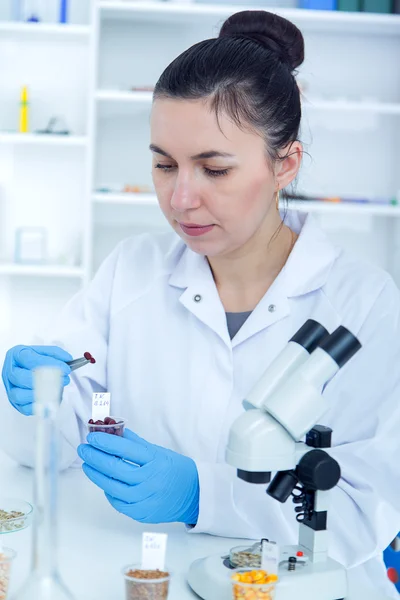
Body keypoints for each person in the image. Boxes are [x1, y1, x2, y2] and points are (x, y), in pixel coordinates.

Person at [1, 9, 399, 598]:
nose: (180, 198)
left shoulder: (362, 302)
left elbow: (367, 509)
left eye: (214, 168)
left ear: (284, 162)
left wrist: (203, 494)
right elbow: (52, 446)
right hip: (145, 574)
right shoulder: (130, 271)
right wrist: (39, 398)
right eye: (164, 164)